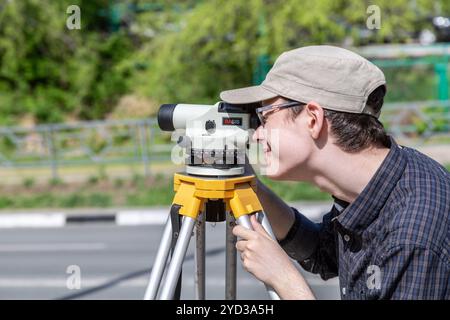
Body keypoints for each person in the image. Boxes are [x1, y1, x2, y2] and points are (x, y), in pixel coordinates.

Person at [219, 45, 450, 300]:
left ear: (313, 119)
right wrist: (250, 187)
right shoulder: (381, 180)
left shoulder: (412, 238)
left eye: (264, 117)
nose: (258, 133)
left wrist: (285, 280)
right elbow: (323, 252)